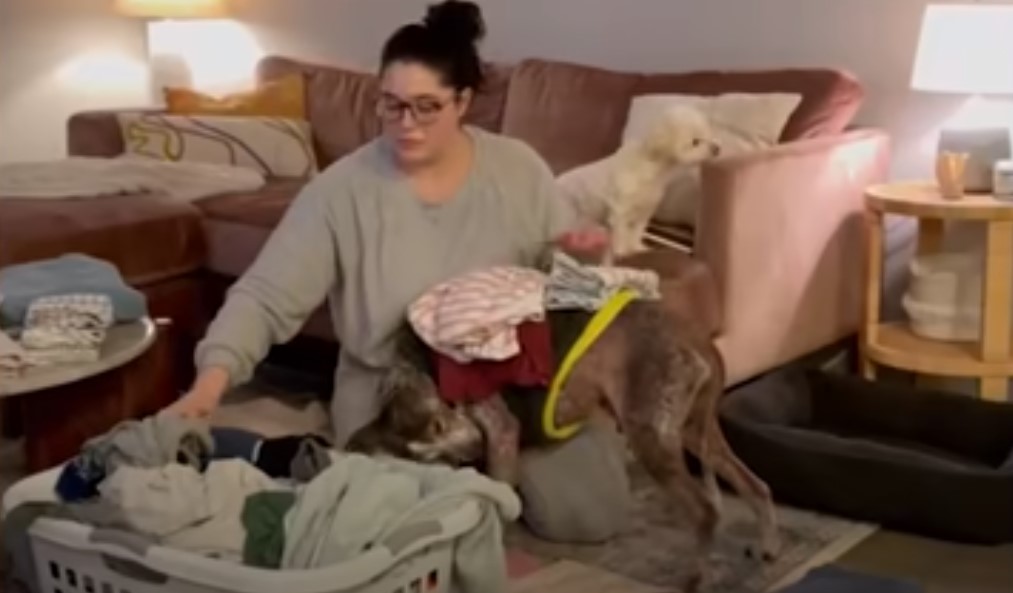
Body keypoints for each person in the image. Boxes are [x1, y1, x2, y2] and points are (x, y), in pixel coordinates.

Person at [169, 0, 631, 542]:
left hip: (510, 386)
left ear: (463, 102)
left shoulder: (519, 169)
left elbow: (563, 289)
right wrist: (208, 386)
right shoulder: (341, 190)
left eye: (426, 107)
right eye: (391, 106)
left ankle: (491, 466)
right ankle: (451, 481)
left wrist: (582, 257)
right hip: (393, 398)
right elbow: (266, 295)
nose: (406, 125)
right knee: (397, 529)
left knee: (592, 516)